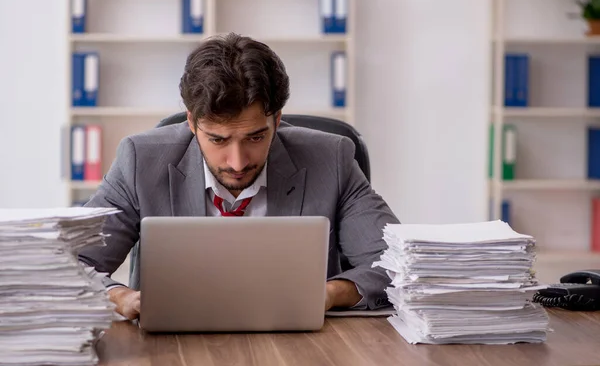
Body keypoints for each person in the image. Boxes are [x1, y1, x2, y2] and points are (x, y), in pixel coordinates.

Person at [78, 32, 401, 321]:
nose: (236, 162)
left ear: (276, 120)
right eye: (218, 140)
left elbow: (397, 264)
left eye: (255, 137)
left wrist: (330, 294)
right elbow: (71, 263)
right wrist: (120, 297)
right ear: (192, 123)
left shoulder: (331, 158)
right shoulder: (140, 160)